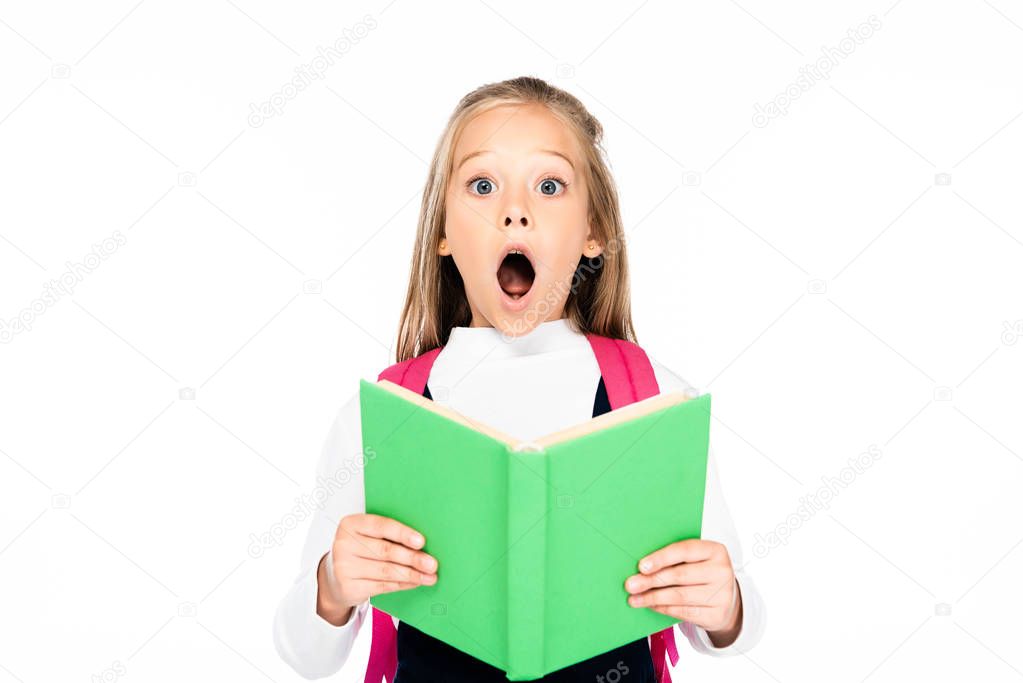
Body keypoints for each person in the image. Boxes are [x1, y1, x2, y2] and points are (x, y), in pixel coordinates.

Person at [273, 75, 765, 681]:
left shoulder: (655, 398)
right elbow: (306, 653)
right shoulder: (384, 410)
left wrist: (725, 605)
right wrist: (331, 585)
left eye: (550, 185)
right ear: (444, 234)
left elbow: (729, 623)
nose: (515, 210)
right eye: (483, 185)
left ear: (594, 233)